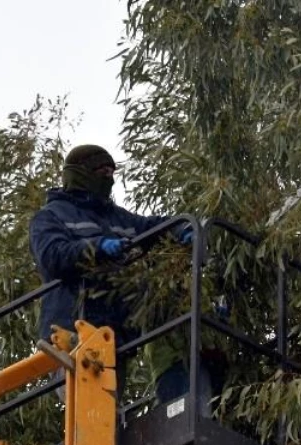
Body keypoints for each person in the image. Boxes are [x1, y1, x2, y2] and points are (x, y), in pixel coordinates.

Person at [29, 144, 216, 408]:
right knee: (92, 408)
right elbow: (52, 256)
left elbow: (151, 228)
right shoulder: (49, 217)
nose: (109, 177)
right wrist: (96, 248)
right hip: (71, 332)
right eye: (101, 171)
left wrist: (181, 229)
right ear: (79, 174)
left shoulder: (117, 217)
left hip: (114, 337)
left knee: (108, 417)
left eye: (111, 172)